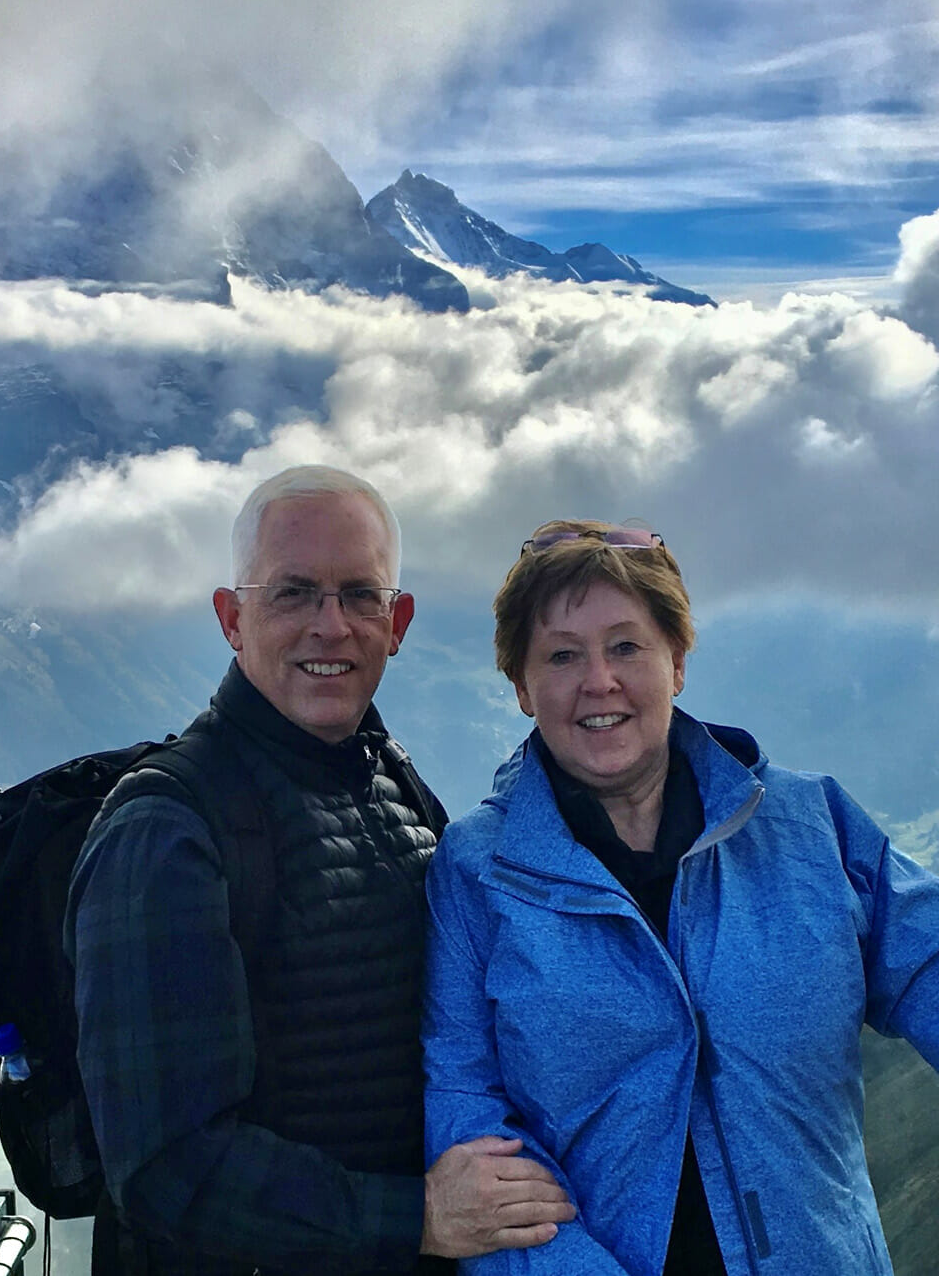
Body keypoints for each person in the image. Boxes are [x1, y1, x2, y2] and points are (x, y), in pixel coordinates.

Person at [64, 467, 574, 1276]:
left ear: (397, 621)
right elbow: (166, 1169)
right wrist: (423, 1215)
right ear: (233, 618)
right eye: (294, 593)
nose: (330, 625)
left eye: (359, 595)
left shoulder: (394, 783)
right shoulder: (165, 830)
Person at [423, 518, 939, 1275]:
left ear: (679, 660)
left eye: (627, 645)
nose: (599, 680)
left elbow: (926, 960)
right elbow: (468, 1115)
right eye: (562, 655)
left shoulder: (810, 823)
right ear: (523, 688)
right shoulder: (475, 872)